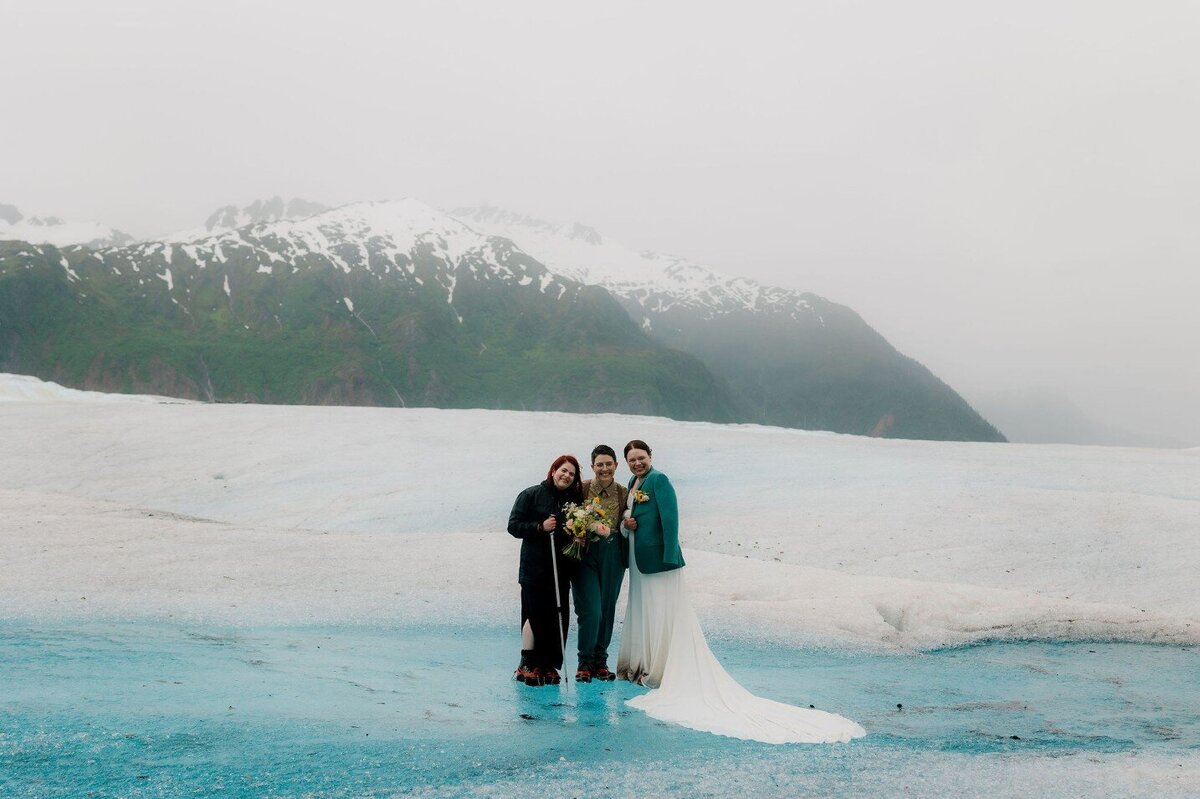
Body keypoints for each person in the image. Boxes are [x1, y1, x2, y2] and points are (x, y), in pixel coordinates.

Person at [616, 439, 866, 744]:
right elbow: (634, 519)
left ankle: (661, 667)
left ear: (650, 456)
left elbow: (670, 519)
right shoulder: (634, 481)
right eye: (632, 459)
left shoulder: (659, 480)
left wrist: (670, 556)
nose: (637, 463)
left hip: (660, 560)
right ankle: (645, 663)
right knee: (647, 612)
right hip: (641, 561)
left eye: (641, 457)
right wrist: (627, 526)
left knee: (664, 613)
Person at [507, 454, 583, 686]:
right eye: (563, 470)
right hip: (535, 566)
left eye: (571, 473)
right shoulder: (531, 494)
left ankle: (549, 663)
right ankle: (528, 661)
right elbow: (514, 525)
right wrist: (540, 526)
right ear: (553, 471)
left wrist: (579, 535)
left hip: (560, 568)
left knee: (557, 615)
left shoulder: (574, 501)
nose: (566, 476)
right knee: (534, 612)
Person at [570, 444, 629, 683]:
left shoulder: (623, 492)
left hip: (612, 554)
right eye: (599, 465)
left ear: (616, 465)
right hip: (584, 553)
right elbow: (568, 513)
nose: (604, 469)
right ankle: (584, 661)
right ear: (593, 466)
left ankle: (600, 661)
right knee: (590, 609)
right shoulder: (581, 489)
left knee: (606, 608)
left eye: (608, 464)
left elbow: (631, 519)